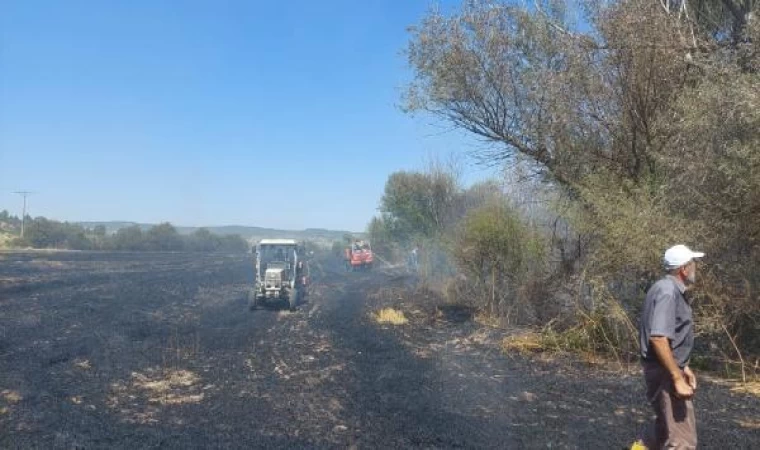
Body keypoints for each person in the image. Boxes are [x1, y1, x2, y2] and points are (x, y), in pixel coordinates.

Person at [633, 244, 704, 450]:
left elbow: (668, 339)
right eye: (693, 263)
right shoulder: (668, 292)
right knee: (682, 442)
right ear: (684, 269)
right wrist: (676, 377)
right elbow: (659, 338)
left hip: (665, 369)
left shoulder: (664, 288)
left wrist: (684, 366)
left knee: (661, 432)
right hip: (665, 374)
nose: (695, 268)